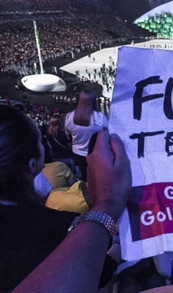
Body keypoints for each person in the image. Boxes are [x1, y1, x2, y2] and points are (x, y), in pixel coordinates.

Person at [0, 105, 118, 292]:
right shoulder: (60, 228)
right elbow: (102, 274)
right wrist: (107, 206)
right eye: (40, 141)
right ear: (33, 163)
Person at [65, 89, 108, 180]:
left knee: (85, 175)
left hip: (78, 153)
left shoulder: (69, 117)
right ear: (94, 101)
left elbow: (68, 135)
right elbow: (108, 135)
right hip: (97, 153)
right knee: (97, 176)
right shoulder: (100, 118)